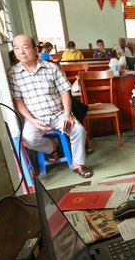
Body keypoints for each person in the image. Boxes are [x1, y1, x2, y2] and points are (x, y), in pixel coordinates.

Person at [7, 34, 93, 178]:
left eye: (25, 47)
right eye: (16, 48)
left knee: (78, 130)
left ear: (35, 49)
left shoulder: (51, 68)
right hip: (35, 117)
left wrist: (67, 113)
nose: (21, 51)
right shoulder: (13, 74)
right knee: (27, 139)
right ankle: (51, 146)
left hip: (59, 114)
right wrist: (32, 120)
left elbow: (64, 91)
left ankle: (77, 164)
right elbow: (18, 101)